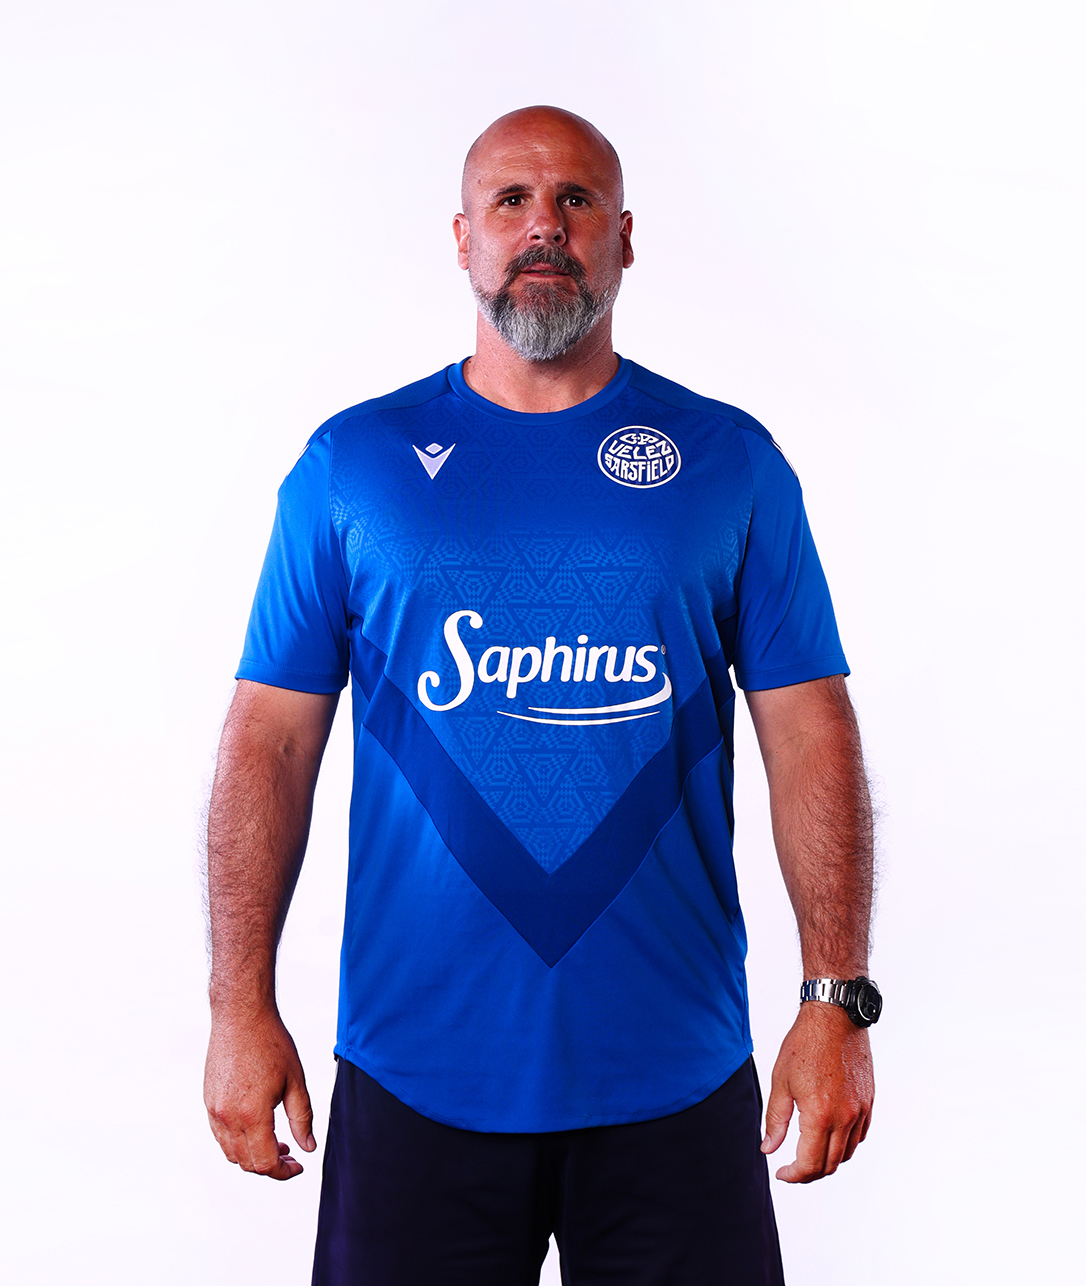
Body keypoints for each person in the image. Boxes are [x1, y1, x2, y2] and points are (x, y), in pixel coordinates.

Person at [203, 105, 878, 1286]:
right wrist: (235, 1006)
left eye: (576, 199)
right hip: (417, 1072)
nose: (543, 225)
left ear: (626, 237)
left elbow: (810, 732)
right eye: (511, 200)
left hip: (673, 1073)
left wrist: (836, 1000)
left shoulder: (728, 462)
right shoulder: (353, 467)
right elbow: (269, 742)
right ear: (462, 237)